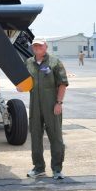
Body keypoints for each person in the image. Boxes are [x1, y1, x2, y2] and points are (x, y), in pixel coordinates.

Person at [25, 38, 69, 180]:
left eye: (40, 45)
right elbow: (24, 82)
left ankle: (57, 169)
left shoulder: (55, 62)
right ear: (32, 47)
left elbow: (62, 84)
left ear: (46, 46)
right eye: (35, 45)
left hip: (52, 105)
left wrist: (59, 103)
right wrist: (20, 87)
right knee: (35, 136)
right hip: (35, 105)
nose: (37, 47)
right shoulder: (29, 62)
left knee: (56, 137)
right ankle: (38, 168)